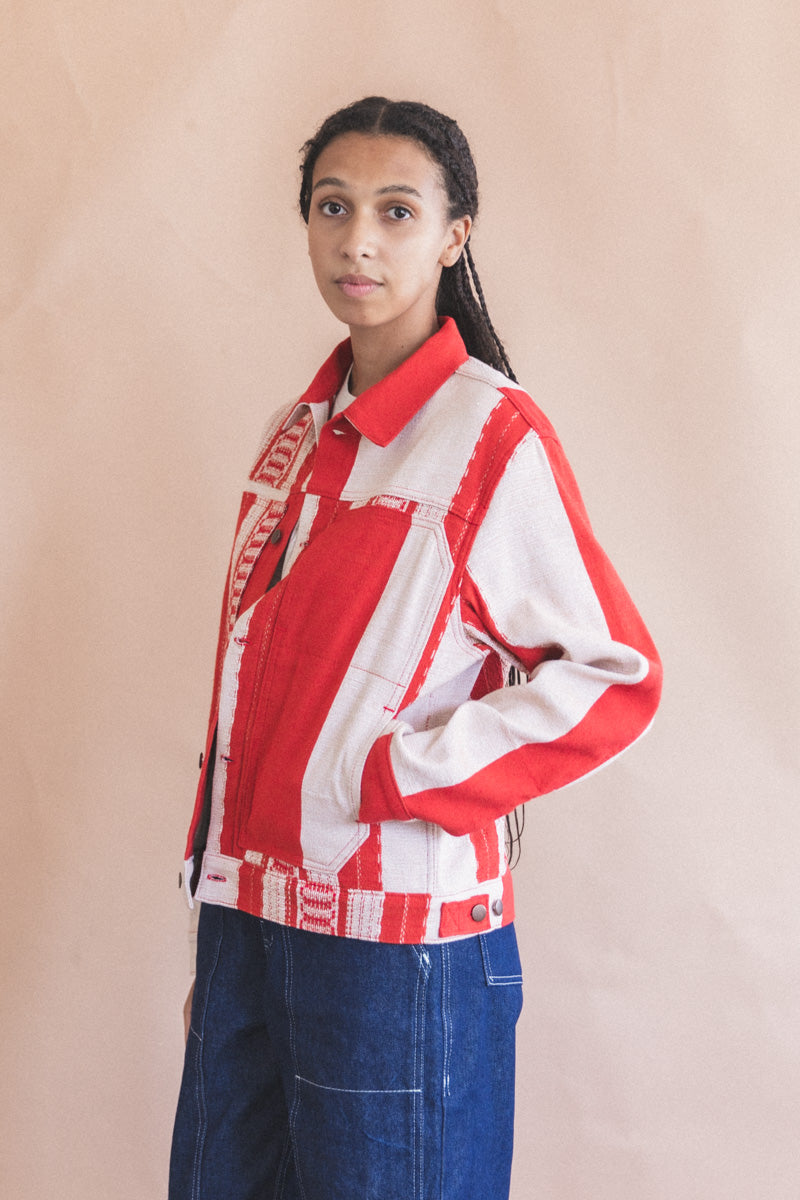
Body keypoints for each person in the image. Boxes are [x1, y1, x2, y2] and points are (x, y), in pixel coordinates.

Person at [169, 96, 661, 1200]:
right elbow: (244, 696)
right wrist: (218, 921)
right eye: (332, 207)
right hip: (248, 929)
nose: (357, 240)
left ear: (453, 236)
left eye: (396, 211)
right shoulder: (291, 439)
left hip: (399, 953)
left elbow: (613, 678)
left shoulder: (491, 436)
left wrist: (393, 772)